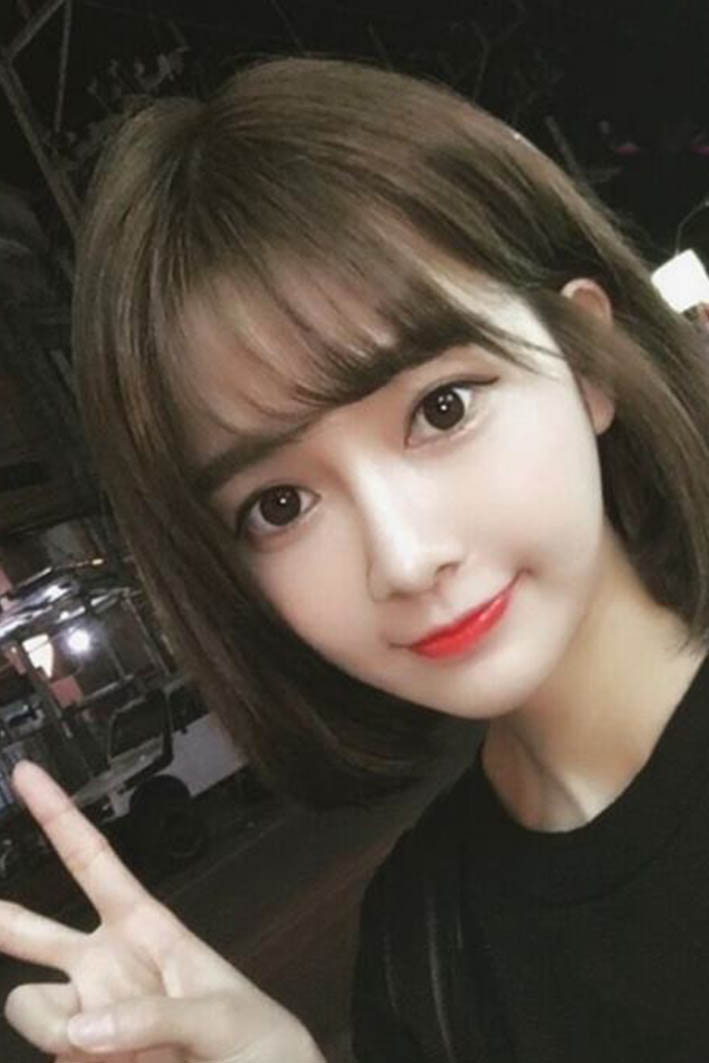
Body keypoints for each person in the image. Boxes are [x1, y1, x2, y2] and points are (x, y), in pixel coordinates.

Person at [2, 55, 709, 1062]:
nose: (405, 559)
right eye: (280, 505)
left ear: (586, 362)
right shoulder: (421, 950)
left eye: (441, 407)